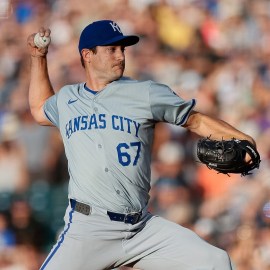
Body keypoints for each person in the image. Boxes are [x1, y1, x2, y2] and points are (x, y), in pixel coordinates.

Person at [27, 20, 256, 270]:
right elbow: (40, 109)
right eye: (112, 49)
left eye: (122, 49)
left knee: (216, 262)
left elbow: (196, 120)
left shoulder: (145, 93)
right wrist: (38, 57)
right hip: (88, 228)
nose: (121, 55)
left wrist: (244, 139)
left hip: (141, 228)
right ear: (87, 54)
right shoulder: (68, 99)